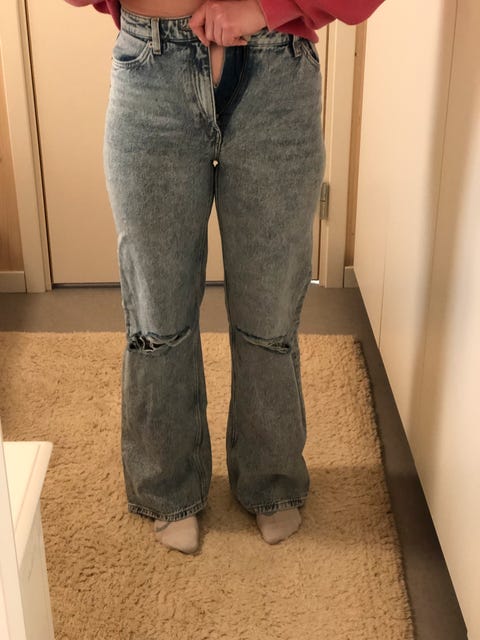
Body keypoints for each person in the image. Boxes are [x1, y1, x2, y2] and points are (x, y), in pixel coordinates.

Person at [64, 0, 384, 554]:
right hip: (151, 71)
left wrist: (268, 8)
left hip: (277, 74)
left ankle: (270, 477)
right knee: (157, 317)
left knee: (269, 314)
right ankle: (168, 485)